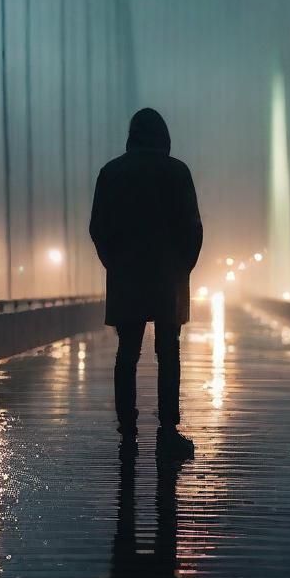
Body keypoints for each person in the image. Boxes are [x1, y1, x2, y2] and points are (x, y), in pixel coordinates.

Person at [89, 108, 202, 458]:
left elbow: (98, 227)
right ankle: (168, 430)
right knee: (169, 353)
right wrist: (183, 267)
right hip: (168, 277)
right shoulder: (177, 171)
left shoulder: (111, 172)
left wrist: (114, 264)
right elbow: (193, 228)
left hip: (127, 278)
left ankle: (128, 432)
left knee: (127, 354)